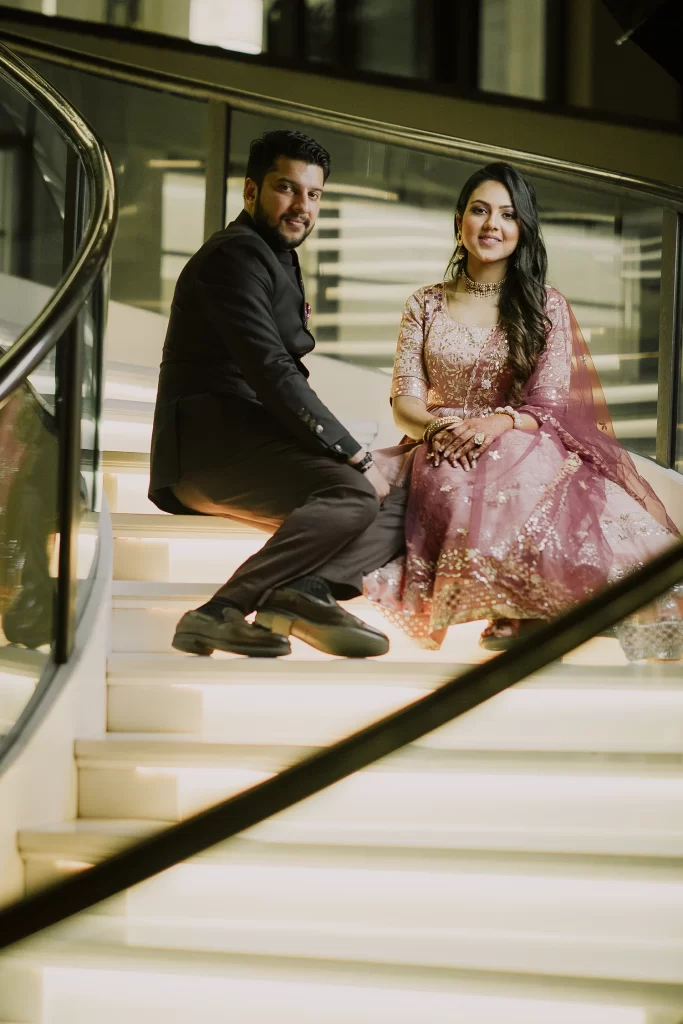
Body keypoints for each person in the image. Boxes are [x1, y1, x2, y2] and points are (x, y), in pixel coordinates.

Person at [364, 162, 682, 659]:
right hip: (441, 440)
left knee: (517, 460)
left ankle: (532, 606)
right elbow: (405, 401)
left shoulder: (544, 305)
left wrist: (495, 422)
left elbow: (548, 401)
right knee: (452, 475)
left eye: (508, 215)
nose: (493, 224)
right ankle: (512, 605)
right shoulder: (424, 304)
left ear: (523, 229)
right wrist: (444, 429)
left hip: (520, 435)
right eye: (480, 210)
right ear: (459, 221)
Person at [149, 129, 406, 659]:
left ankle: (306, 590)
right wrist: (352, 454)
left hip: (251, 437)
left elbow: (284, 378)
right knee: (357, 489)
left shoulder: (275, 255)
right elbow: (272, 372)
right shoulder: (233, 257)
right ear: (250, 192)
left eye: (313, 195)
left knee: (407, 493)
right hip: (208, 446)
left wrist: (356, 456)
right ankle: (217, 611)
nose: (302, 207)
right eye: (286, 189)